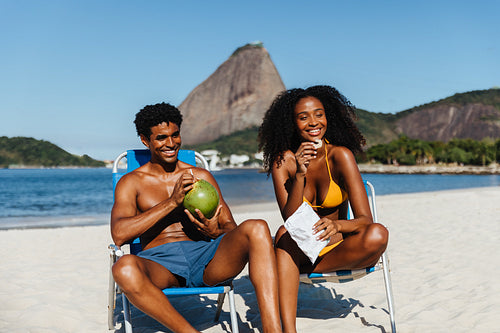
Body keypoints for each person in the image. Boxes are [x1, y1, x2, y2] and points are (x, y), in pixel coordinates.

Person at [111, 102, 282, 333]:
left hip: (206, 260)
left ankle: (273, 329)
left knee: (258, 227)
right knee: (123, 268)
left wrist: (215, 232)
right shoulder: (131, 183)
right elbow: (120, 235)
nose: (171, 144)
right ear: (145, 140)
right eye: (161, 138)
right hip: (161, 265)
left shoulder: (201, 176)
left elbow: (230, 227)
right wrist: (172, 202)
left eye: (175, 135)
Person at [258, 85, 388, 332]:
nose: (313, 122)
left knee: (378, 234)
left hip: (336, 246)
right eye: (303, 117)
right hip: (300, 247)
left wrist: (337, 225)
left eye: (319, 114)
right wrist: (299, 174)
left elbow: (365, 219)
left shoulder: (340, 156)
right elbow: (290, 218)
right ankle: (289, 329)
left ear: (328, 117)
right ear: (291, 123)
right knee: (284, 234)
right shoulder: (282, 162)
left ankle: (290, 270)